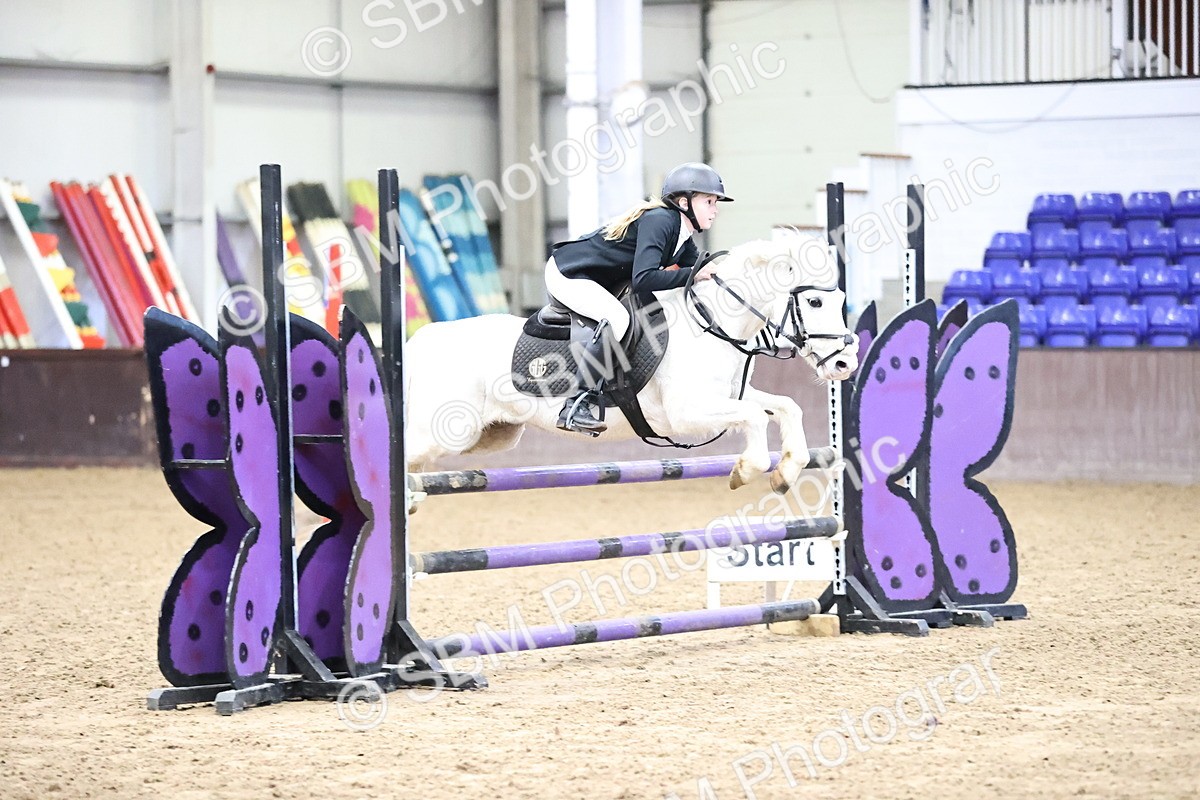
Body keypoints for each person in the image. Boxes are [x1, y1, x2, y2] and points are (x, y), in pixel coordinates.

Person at [545, 162, 734, 435]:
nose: (715, 210)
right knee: (618, 319)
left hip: (597, 278)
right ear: (684, 202)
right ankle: (576, 404)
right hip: (569, 272)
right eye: (709, 202)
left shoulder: (681, 233)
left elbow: (705, 269)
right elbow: (644, 279)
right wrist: (692, 275)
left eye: (716, 203)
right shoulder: (661, 221)